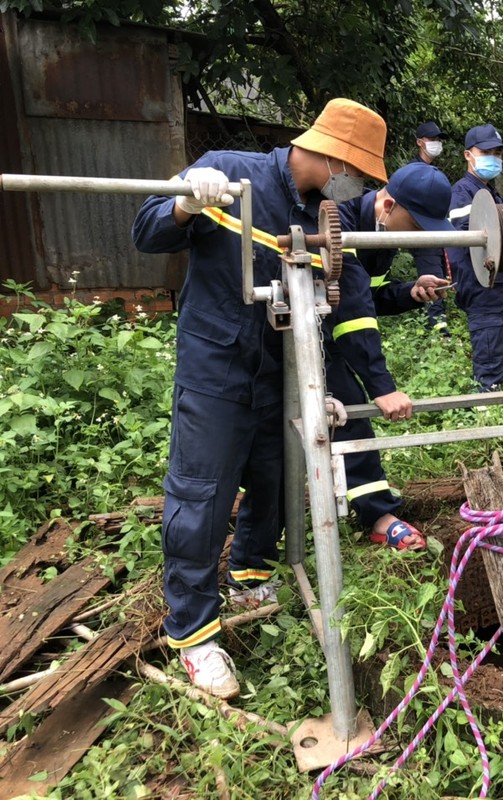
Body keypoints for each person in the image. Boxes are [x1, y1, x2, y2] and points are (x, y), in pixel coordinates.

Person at [131, 98, 414, 699]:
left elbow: (347, 299)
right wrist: (185, 203)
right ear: (337, 155)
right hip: (217, 366)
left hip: (283, 369)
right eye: (360, 173)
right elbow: (145, 230)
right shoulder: (229, 172)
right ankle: (195, 635)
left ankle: (251, 577)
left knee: (275, 477)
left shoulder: (327, 213)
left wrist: (355, 384)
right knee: (201, 493)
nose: (359, 185)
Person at [329, 162, 453, 526]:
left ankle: (371, 508)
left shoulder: (381, 236)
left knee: (343, 407)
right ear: (388, 207)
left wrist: (410, 292)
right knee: (348, 406)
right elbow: (352, 310)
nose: (415, 237)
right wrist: (382, 387)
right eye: (415, 226)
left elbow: (371, 297)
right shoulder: (342, 224)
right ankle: (378, 518)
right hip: (290, 334)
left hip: (327, 329)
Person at [446, 124, 503, 393]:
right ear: (467, 155)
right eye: (485, 151)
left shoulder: (491, 193)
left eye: (498, 153)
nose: (493, 157)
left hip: (501, 280)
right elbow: (466, 237)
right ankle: (488, 394)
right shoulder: (462, 193)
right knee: (490, 338)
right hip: (480, 283)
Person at [408, 121, 450, 333]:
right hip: (423, 237)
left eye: (438, 140)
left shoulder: (433, 170)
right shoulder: (413, 173)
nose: (436, 143)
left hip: (439, 235)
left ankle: (442, 323)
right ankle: (439, 333)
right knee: (432, 283)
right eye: (432, 139)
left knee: (441, 280)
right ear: (419, 142)